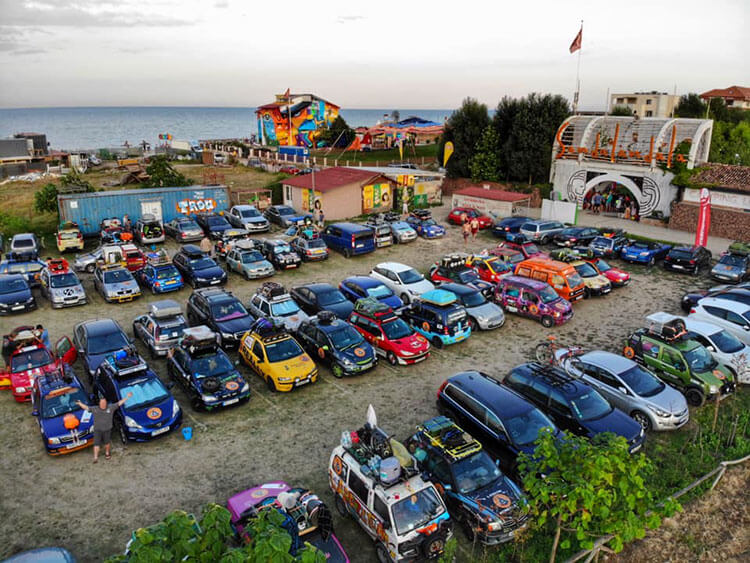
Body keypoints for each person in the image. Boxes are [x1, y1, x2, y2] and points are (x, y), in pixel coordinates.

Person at [76, 393, 133, 463]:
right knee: (96, 443)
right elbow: (86, 407)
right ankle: (95, 457)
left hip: (107, 429)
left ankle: (107, 453)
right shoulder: (95, 409)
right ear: (99, 403)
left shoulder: (111, 407)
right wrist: (80, 403)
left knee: (107, 443)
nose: (103, 404)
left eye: (105, 403)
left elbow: (119, 403)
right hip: (98, 430)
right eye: (102, 403)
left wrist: (127, 397)